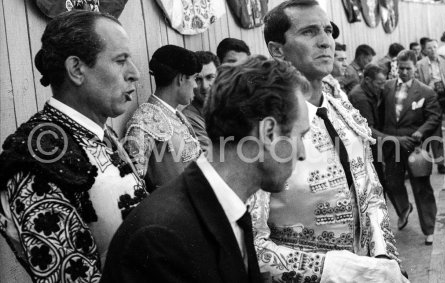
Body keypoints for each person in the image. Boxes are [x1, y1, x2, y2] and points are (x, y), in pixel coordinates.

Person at [101, 57, 311, 283]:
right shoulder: (162, 237)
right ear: (268, 132)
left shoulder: (232, 205)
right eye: (299, 136)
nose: (302, 153)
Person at [254, 0, 406, 282]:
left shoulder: (343, 111)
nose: (326, 41)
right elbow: (251, 244)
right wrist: (343, 271)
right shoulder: (260, 127)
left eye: (328, 31)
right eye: (309, 32)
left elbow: (371, 193)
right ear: (277, 50)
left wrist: (383, 259)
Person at [0, 10, 145, 280]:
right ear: (77, 69)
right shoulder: (36, 158)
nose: (134, 74)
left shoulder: (97, 131)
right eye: (120, 60)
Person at [381, 50, 441, 246]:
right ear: (396, 66)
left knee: (422, 188)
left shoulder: (425, 92)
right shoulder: (387, 87)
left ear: (416, 68)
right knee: (392, 183)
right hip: (392, 145)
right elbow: (381, 113)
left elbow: (434, 117)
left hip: (414, 147)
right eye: (401, 68)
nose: (404, 72)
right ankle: (404, 208)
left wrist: (421, 131)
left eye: (408, 68)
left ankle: (430, 229)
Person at [124, 45, 202, 191]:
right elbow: (134, 184)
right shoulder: (143, 120)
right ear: (181, 78)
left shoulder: (178, 116)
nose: (196, 85)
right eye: (195, 79)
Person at [348, 64, 390, 193]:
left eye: (384, 83)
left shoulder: (371, 90)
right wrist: (393, 139)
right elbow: (368, 130)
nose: (382, 87)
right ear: (367, 80)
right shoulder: (360, 97)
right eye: (379, 83)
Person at [416, 39, 445, 174]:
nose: (433, 50)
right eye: (429, 48)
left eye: (435, 47)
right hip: (428, 99)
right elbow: (417, 83)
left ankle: (439, 161)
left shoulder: (444, 61)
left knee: (438, 130)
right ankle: (428, 161)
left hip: (443, 95)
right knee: (431, 129)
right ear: (424, 51)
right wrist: (429, 86)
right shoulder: (420, 64)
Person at [182, 51, 220, 152]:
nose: (204, 86)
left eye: (210, 77)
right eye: (198, 79)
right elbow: (213, 155)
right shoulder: (188, 118)